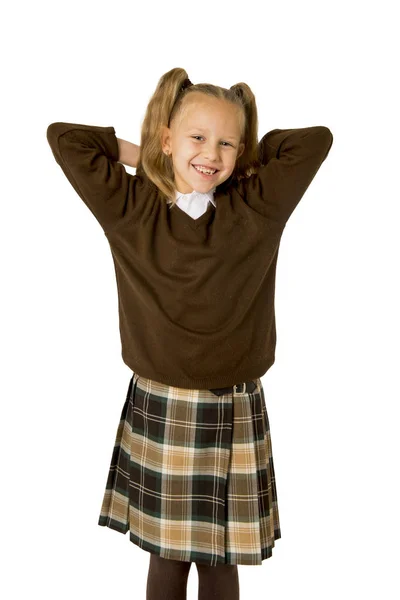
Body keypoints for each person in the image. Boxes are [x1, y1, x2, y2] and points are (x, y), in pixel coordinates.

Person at [46, 67, 333, 600]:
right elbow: (66, 138)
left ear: (241, 151)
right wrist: (144, 158)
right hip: (163, 401)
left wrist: (245, 160)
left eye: (227, 143)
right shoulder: (132, 206)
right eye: (197, 137)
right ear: (167, 138)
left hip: (235, 402)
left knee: (221, 563)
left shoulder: (257, 205)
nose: (212, 153)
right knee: (167, 560)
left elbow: (315, 143)